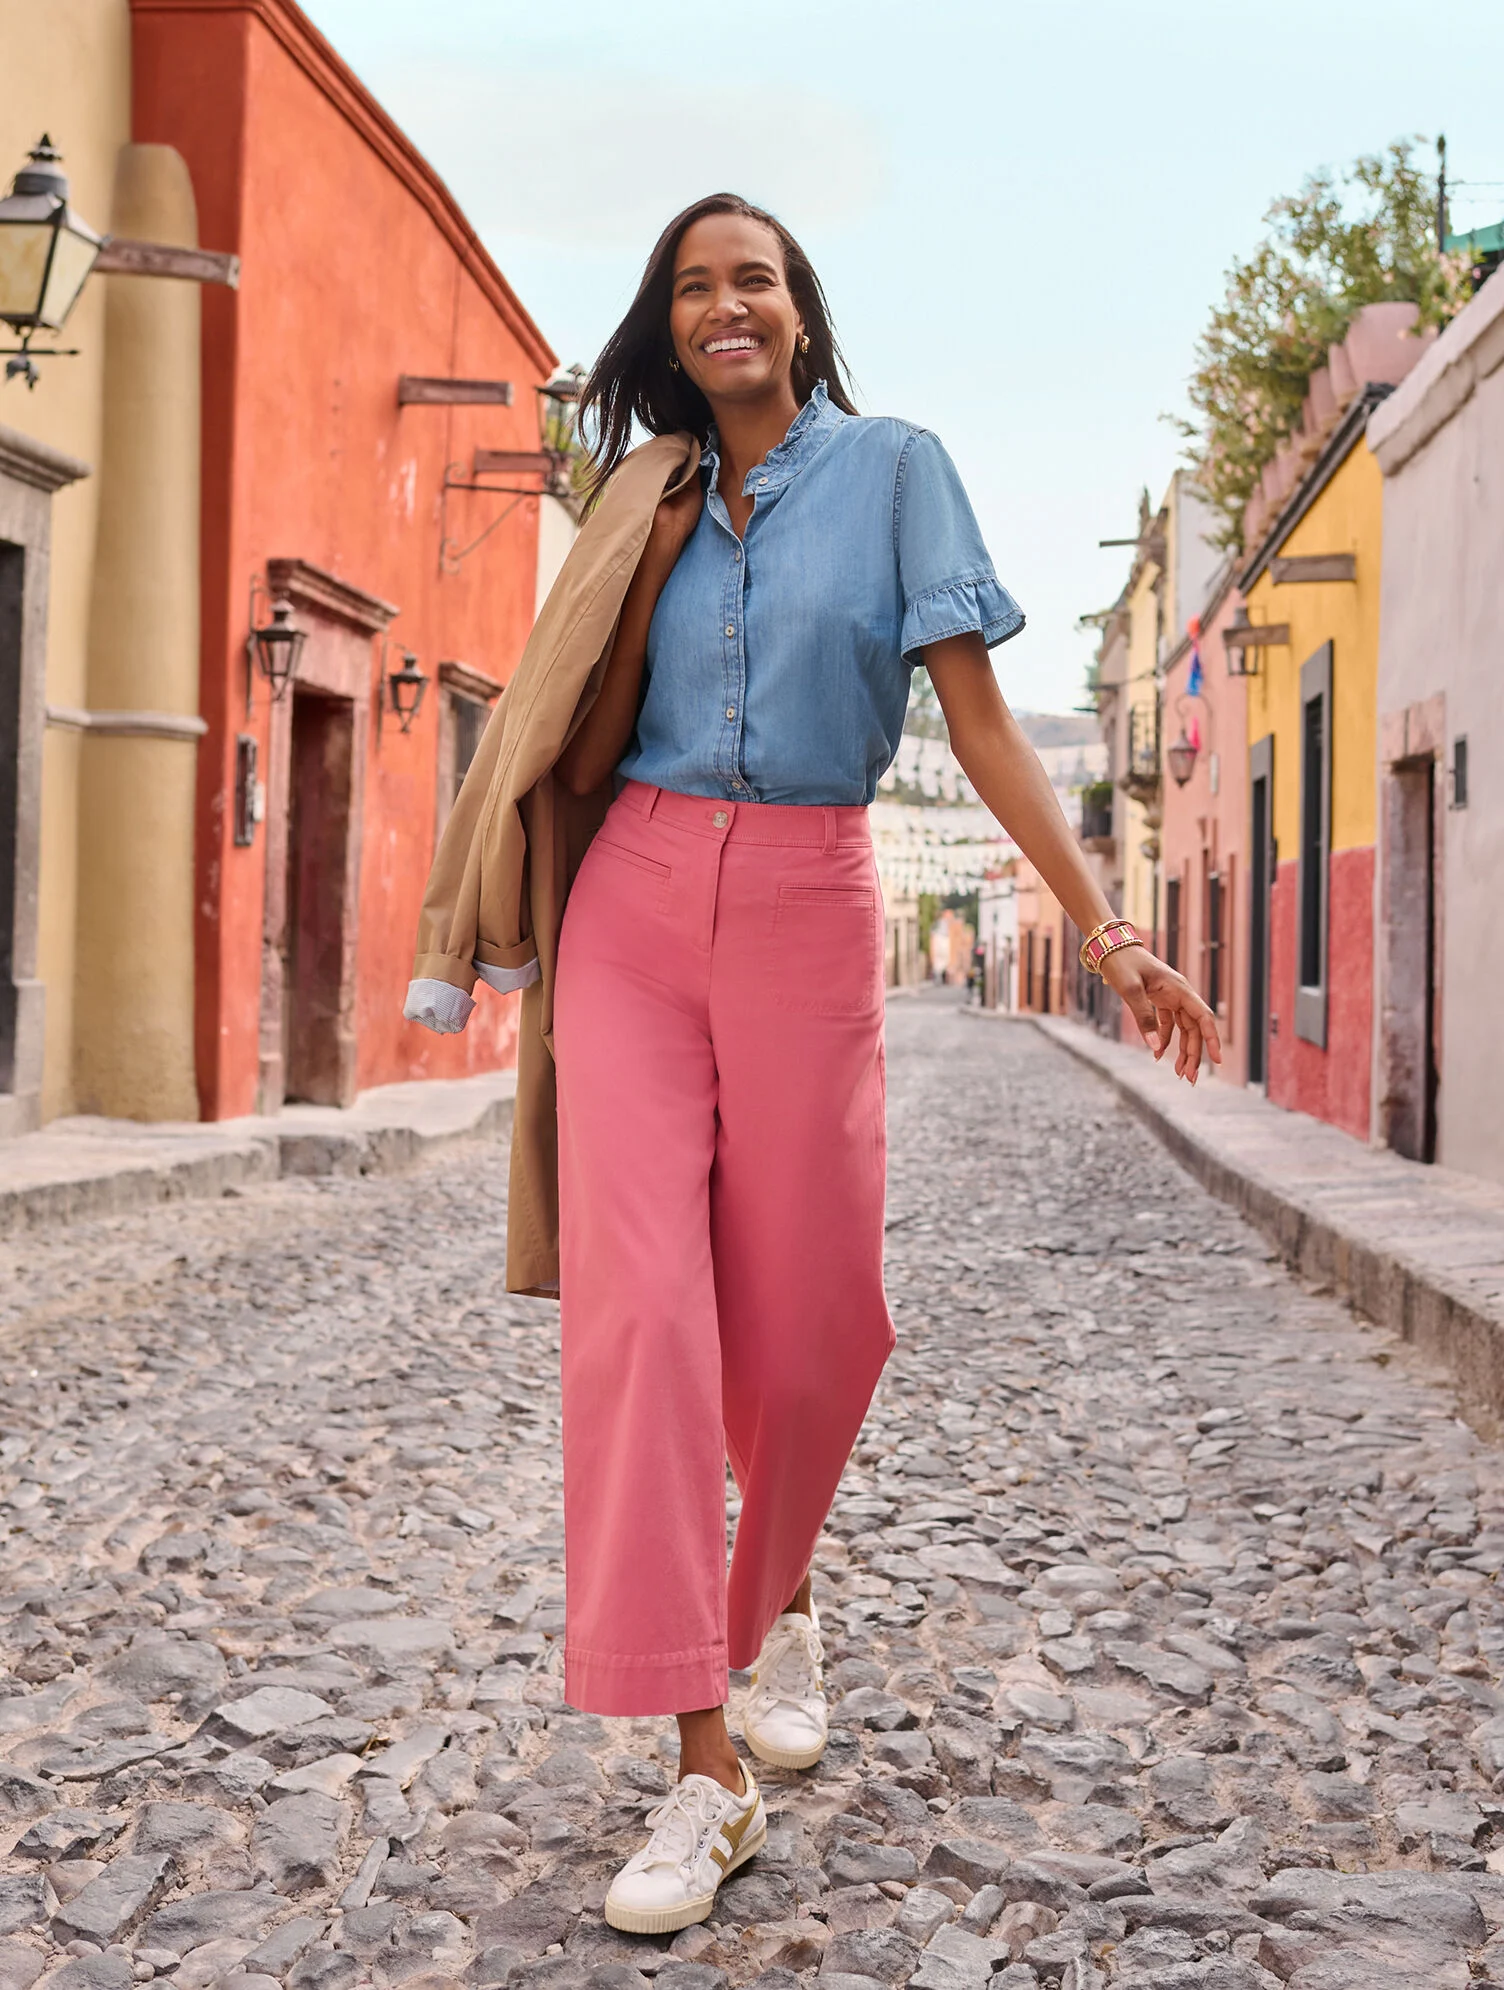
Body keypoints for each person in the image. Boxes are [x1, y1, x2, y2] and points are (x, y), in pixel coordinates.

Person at [412, 191, 1220, 1936]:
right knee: (644, 1313)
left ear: (800, 307)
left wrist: (1109, 932)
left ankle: (779, 1589)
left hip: (807, 894)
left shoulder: (897, 470)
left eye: (755, 280)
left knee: (814, 1316)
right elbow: (565, 718)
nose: (728, 307)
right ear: (668, 323)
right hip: (634, 899)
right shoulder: (643, 491)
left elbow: (981, 723)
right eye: (694, 287)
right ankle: (702, 1764)